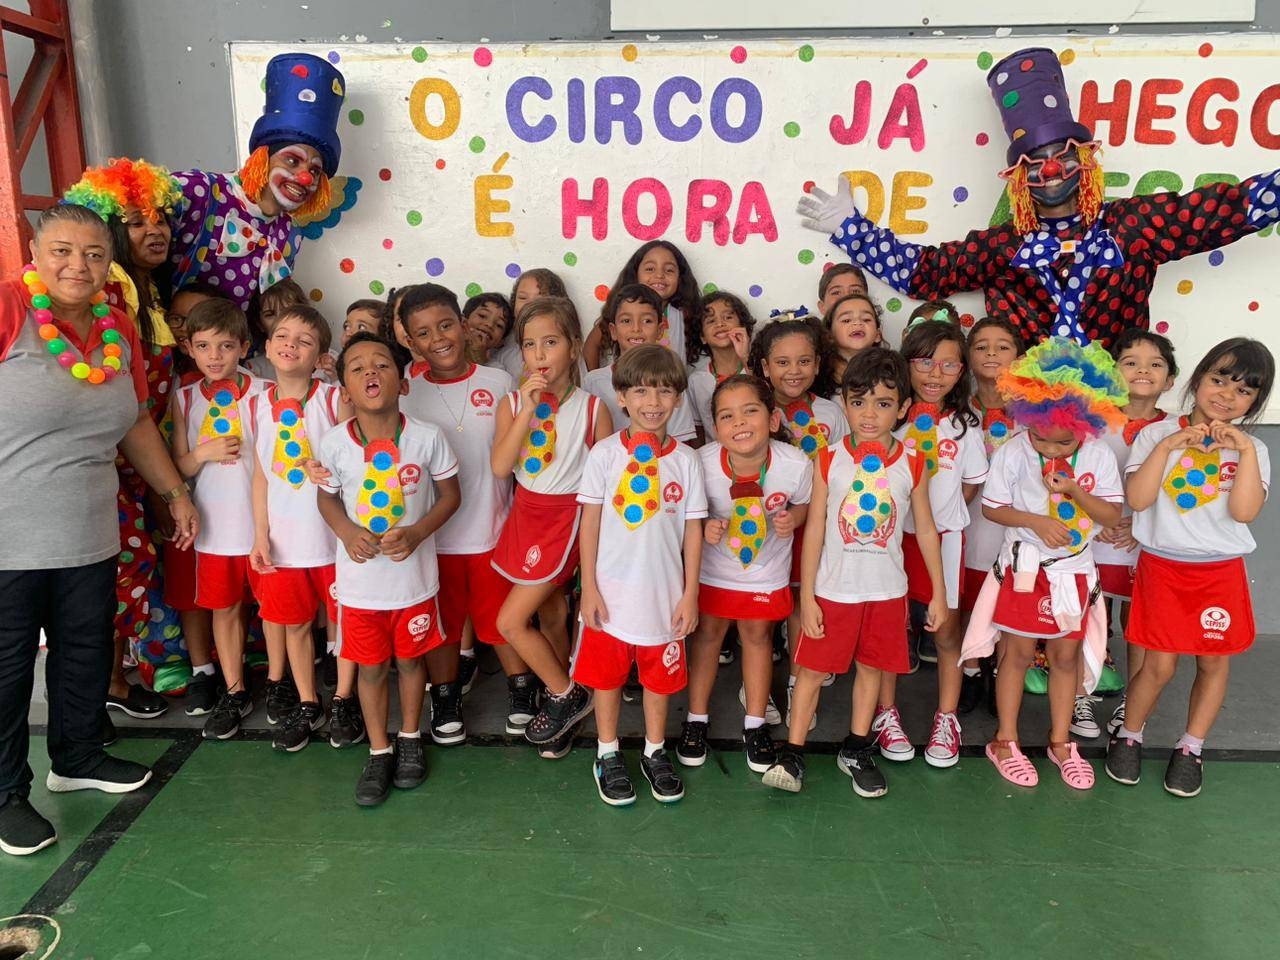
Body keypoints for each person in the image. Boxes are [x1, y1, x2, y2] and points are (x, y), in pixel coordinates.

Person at [799, 47, 1280, 347]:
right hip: (1023, 421)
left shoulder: (1131, 226)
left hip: (1116, 411)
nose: (1050, 170)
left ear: (1085, 161)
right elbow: (924, 273)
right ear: (1018, 178)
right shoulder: (1003, 246)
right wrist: (851, 230)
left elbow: (1222, 212)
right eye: (1034, 162)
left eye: (1062, 155)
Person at [0, 203, 198, 857]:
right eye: (61, 250)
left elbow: (136, 420)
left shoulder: (117, 329)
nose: (76, 266)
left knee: (84, 648)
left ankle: (78, 756)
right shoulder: (9, 309)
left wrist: (174, 494)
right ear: (35, 252)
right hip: (8, 539)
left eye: (92, 254)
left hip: (88, 531)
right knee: (7, 667)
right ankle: (4, 794)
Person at [763, 348, 945, 798]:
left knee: (872, 669)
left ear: (902, 408)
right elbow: (815, 529)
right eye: (858, 401)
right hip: (833, 591)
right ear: (844, 403)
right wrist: (807, 596)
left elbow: (925, 530)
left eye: (883, 403)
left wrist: (938, 594)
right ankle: (793, 752)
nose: (868, 414)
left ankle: (858, 747)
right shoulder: (827, 459)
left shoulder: (913, 463)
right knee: (811, 670)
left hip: (886, 592)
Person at [1107, 338, 1273, 799]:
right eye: (1219, 380)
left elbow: (1244, 512)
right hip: (1163, 567)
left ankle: (1191, 747)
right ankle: (1130, 735)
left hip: (1219, 573)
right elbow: (1138, 500)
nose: (1227, 395)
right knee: (1158, 665)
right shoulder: (1155, 436)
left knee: (1213, 662)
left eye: (1243, 390)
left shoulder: (1254, 449)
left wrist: (1244, 453)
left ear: (1255, 401)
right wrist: (1168, 447)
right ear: (1198, 379)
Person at [960, 338, 1127, 792]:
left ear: (1086, 424)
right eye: (1041, 438)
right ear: (1027, 419)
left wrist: (1075, 491)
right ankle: (1005, 740)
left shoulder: (1098, 454)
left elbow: (1112, 514)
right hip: (1025, 570)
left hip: (1074, 571)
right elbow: (993, 508)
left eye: (1064, 441)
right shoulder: (1014, 451)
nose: (1051, 450)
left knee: (1065, 656)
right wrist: (1035, 521)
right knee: (1015, 654)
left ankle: (1060, 742)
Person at [64, 157, 187, 721]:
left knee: (132, 566)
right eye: (137, 222)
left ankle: (115, 679)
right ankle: (106, 685)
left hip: (140, 460)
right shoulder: (106, 294)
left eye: (159, 218)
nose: (154, 230)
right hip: (103, 463)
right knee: (120, 567)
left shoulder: (145, 291)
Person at [316, 332, 461, 806]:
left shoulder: (426, 437)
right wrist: (345, 531)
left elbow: (451, 496)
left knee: (411, 662)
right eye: (357, 368)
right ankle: (380, 750)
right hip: (361, 588)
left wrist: (418, 532)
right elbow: (327, 498)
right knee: (372, 668)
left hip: (413, 584)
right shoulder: (335, 443)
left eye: (381, 364)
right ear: (345, 390)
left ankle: (411, 737)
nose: (370, 372)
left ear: (403, 381)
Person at [576, 346, 707, 805]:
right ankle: (607, 752)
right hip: (610, 597)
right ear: (621, 396)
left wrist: (690, 595)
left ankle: (654, 750)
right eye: (641, 391)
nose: (653, 402)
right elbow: (589, 525)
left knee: (658, 680)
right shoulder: (604, 455)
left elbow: (694, 532)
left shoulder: (686, 461)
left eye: (665, 391)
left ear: (678, 398)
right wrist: (588, 588)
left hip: (664, 598)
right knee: (607, 678)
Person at [401, 284, 530, 743]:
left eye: (445, 325)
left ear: (462, 324)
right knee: (444, 626)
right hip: (433, 538)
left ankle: (521, 688)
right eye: (423, 333)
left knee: (501, 622)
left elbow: (519, 456)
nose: (438, 338)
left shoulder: (499, 382)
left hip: (493, 531)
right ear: (410, 341)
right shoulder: (406, 393)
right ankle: (445, 695)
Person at [491, 297, 612, 758]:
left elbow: (605, 482)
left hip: (566, 519)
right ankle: (562, 699)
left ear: (574, 346)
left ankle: (566, 694)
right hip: (526, 513)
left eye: (551, 342)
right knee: (552, 615)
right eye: (529, 345)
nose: (539, 354)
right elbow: (501, 467)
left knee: (510, 621)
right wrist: (527, 408)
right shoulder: (511, 403)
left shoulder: (593, 408)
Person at [680, 374, 811, 775]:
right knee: (708, 637)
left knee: (758, 638)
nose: (739, 422)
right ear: (715, 428)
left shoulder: (795, 464)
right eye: (727, 416)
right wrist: (705, 526)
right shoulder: (700, 464)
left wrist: (793, 519)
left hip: (766, 571)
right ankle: (696, 719)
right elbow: (687, 515)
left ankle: (755, 723)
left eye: (750, 411)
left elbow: (805, 503)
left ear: (772, 419)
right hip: (714, 570)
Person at [875, 320, 987, 769]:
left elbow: (971, 485)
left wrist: (942, 517)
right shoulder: (889, 421)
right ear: (906, 364)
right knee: (890, 630)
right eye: (924, 362)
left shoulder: (965, 428)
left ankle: (946, 718)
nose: (935, 374)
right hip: (889, 541)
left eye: (948, 365)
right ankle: (886, 712)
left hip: (944, 543)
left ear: (961, 371)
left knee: (945, 633)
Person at [169, 52, 345, 313]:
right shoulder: (200, 190)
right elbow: (128, 200)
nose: (305, 178)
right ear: (263, 157)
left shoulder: (289, 233)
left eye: (315, 170)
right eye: (292, 160)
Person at [248, 304, 350, 752]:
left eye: (304, 341)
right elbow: (260, 475)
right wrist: (260, 535)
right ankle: (309, 701)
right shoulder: (254, 404)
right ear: (268, 347)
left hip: (333, 539)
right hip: (284, 543)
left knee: (344, 622)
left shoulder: (332, 399)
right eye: (283, 336)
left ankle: (344, 699)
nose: (291, 345)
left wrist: (325, 467)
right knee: (294, 625)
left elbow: (356, 458)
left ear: (320, 356)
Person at [169, 299, 268, 740]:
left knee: (278, 613)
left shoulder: (266, 392)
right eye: (204, 346)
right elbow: (179, 467)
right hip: (214, 530)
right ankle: (234, 690)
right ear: (188, 347)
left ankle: (283, 684)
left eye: (226, 346)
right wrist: (203, 453)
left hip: (266, 528)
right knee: (224, 611)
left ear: (244, 348)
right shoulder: (184, 398)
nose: (214, 356)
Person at [747, 317, 848, 729]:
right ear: (765, 366)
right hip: (762, 525)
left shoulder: (830, 412)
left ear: (818, 364)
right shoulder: (754, 407)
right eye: (782, 362)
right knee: (762, 609)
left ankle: (796, 684)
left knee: (802, 601)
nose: (794, 371)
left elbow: (842, 467)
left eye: (804, 361)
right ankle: (753, 686)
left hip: (814, 524)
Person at [1090, 329, 1177, 738]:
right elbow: (1072, 475)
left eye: (1155, 364)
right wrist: (1096, 522)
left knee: (1138, 624)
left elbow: (1179, 491)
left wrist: (1142, 527)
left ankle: (1133, 704)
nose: (1143, 370)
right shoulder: (1090, 421)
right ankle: (1083, 692)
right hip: (1095, 539)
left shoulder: (1177, 430)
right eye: (1130, 362)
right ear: (1113, 373)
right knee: (1091, 619)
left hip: (1146, 543)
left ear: (1170, 380)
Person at [959, 316, 1025, 715]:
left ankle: (1001, 676)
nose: (991, 354)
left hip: (1017, 528)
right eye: (981, 346)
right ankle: (970, 670)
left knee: (1008, 603)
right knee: (970, 601)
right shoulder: (957, 410)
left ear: (1019, 357)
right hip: (970, 523)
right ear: (968, 356)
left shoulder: (1035, 413)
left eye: (1003, 347)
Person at [583, 283, 697, 444]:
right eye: (626, 321)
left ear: (660, 330)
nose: (636, 328)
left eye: (647, 321)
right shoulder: (593, 382)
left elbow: (681, 444)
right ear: (613, 331)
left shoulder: (671, 381)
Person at [585, 241, 700, 370]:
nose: (659, 275)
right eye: (650, 269)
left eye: (669, 270)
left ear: (680, 277)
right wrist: (596, 379)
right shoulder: (621, 312)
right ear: (636, 273)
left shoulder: (684, 315)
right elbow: (591, 345)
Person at [685, 291, 754, 434]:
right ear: (702, 337)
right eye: (711, 321)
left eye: (728, 317)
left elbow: (767, 402)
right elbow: (698, 430)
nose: (720, 324)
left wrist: (745, 357)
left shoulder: (757, 368)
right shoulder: (696, 381)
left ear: (743, 327)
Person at [493, 269, 566, 380]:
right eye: (523, 298)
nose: (529, 305)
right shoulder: (503, 357)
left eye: (539, 299)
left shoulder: (565, 351)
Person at [824, 293, 882, 387]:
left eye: (866, 319)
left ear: (878, 334)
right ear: (830, 335)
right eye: (846, 320)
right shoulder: (818, 372)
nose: (857, 323)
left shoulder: (890, 370)